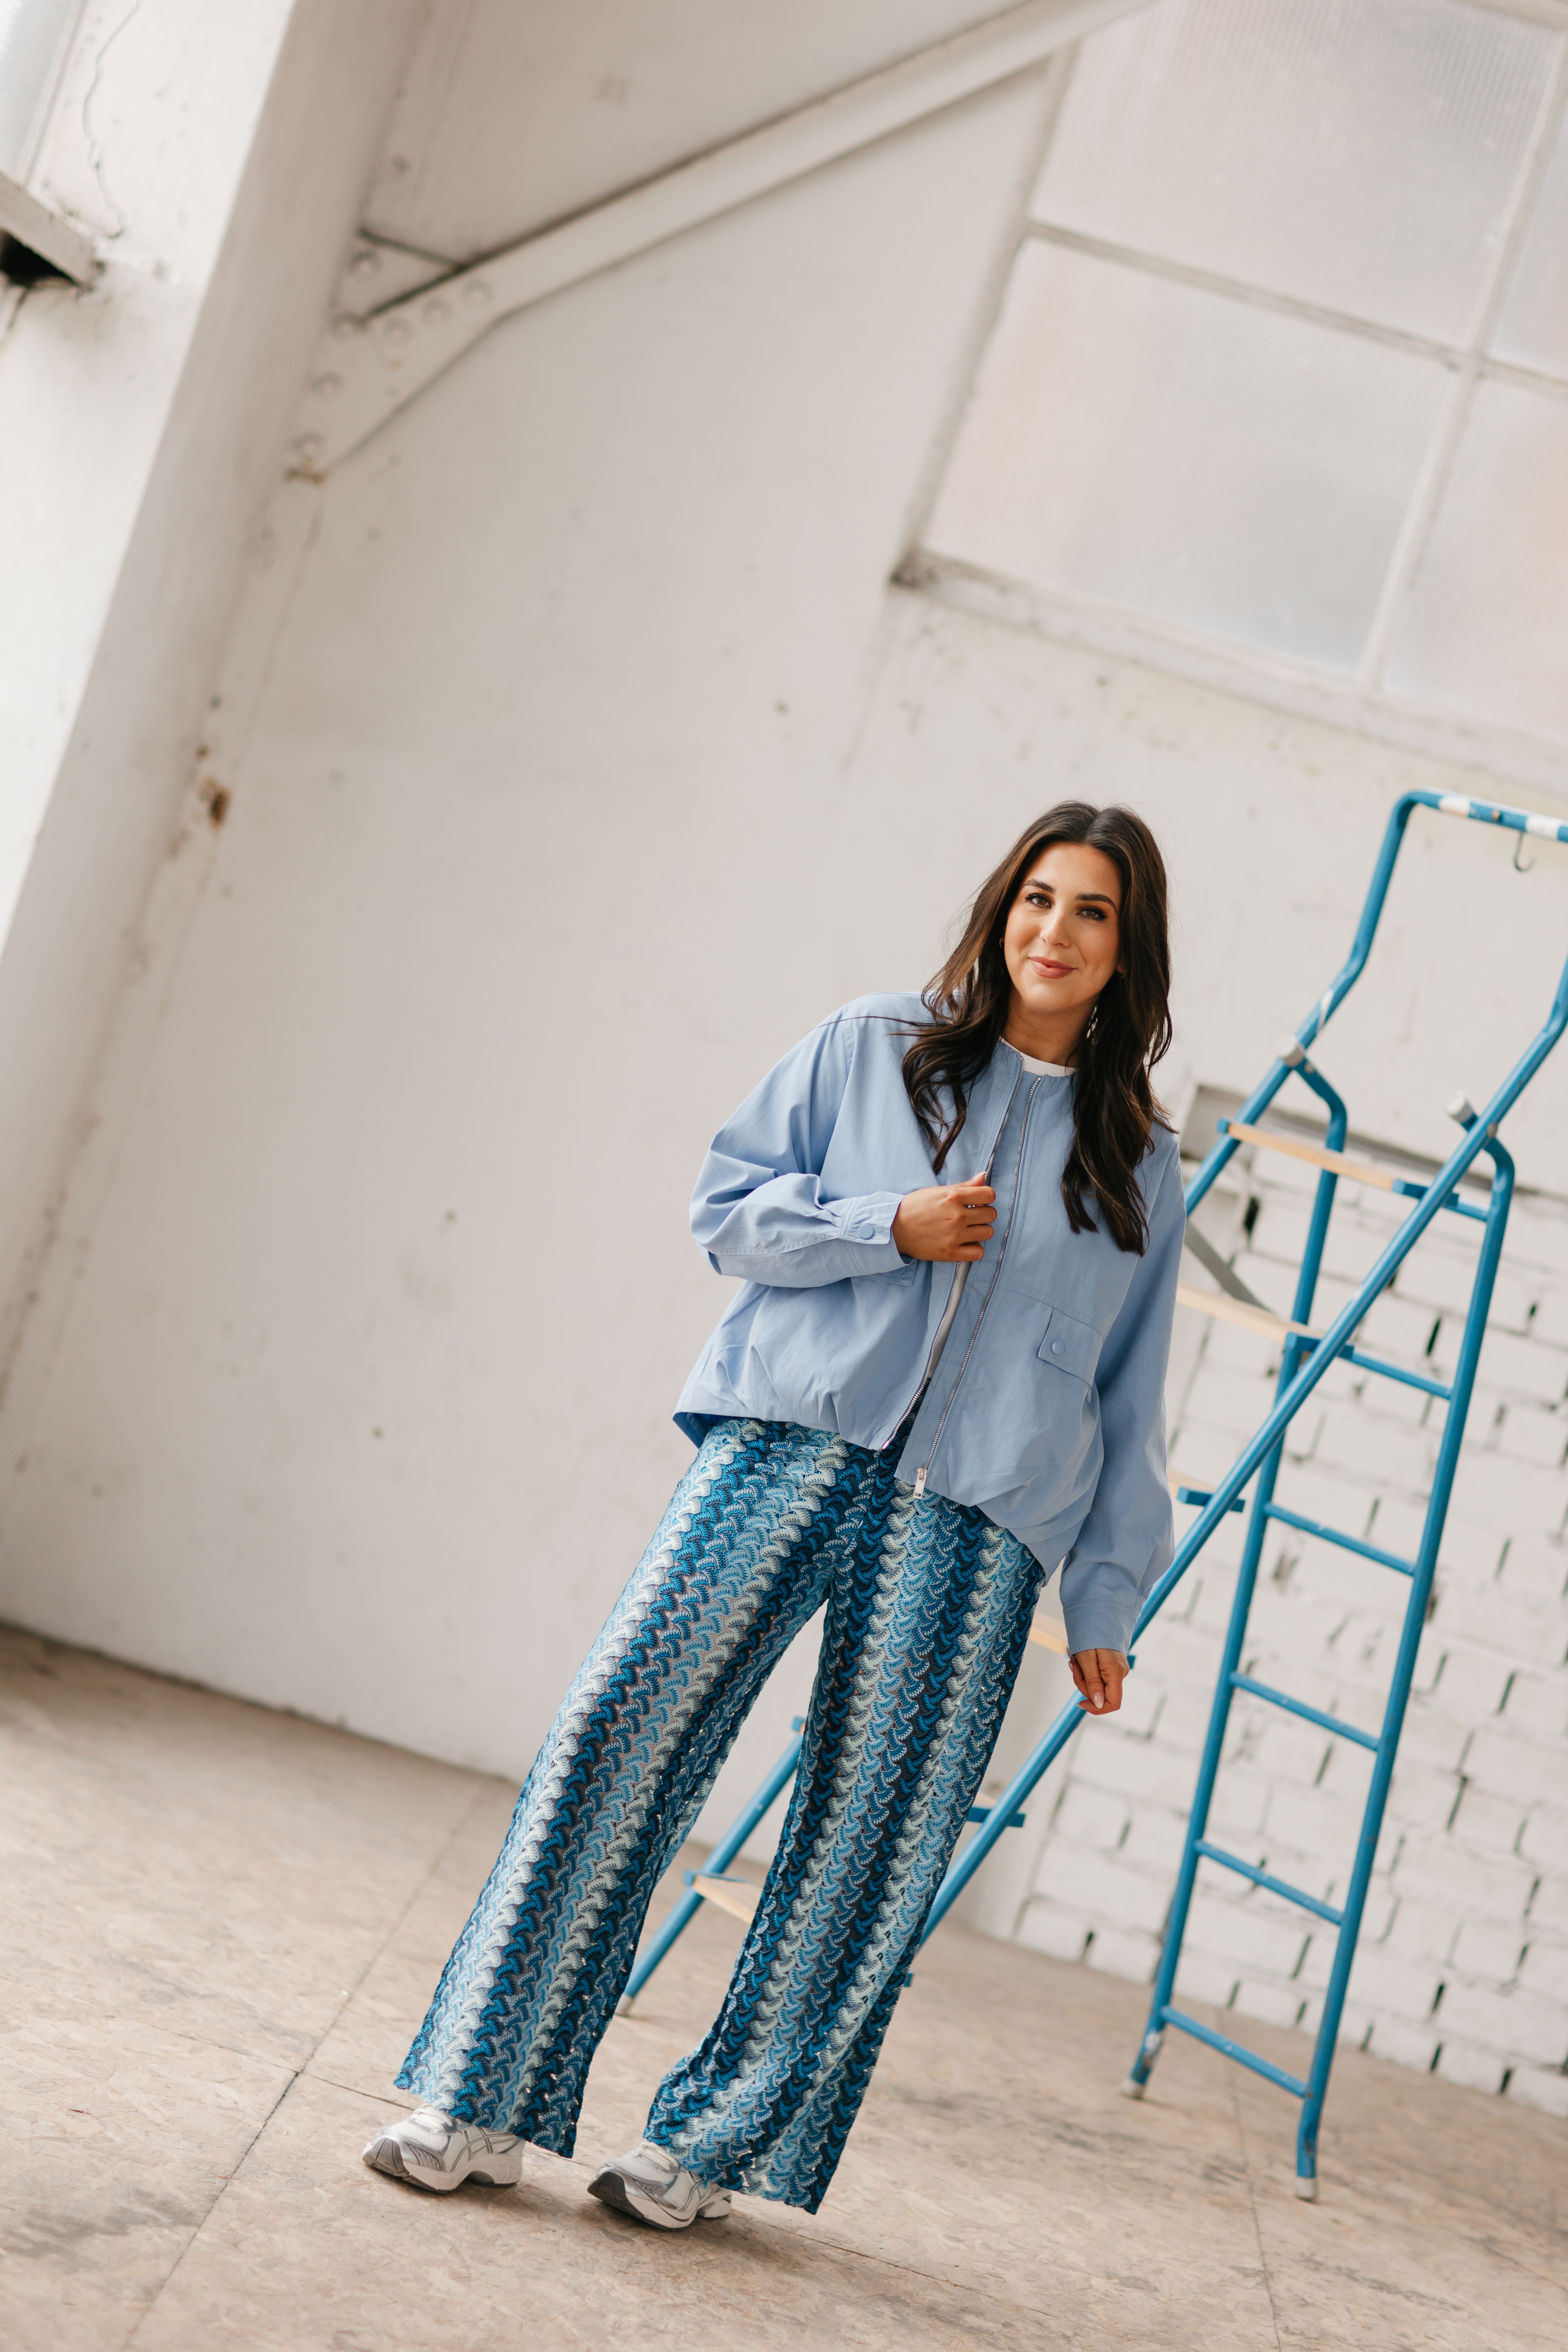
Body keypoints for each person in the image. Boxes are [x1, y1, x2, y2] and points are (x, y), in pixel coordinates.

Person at [362, 800, 1184, 2228]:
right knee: (617, 1729)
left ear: (1130, 950)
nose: (1055, 931)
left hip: (978, 1526)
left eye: (1092, 912)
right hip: (786, 1443)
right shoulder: (874, 1047)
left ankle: (709, 2150)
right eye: (1038, 898)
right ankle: (477, 2102)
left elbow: (1130, 1390)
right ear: (1003, 908)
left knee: (874, 1844)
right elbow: (726, 1211)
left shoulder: (1137, 1156)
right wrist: (887, 1227)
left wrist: (1106, 1596)